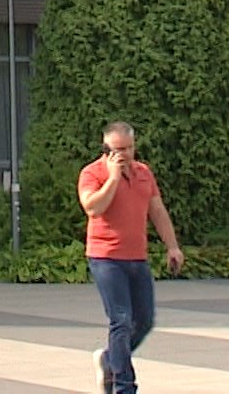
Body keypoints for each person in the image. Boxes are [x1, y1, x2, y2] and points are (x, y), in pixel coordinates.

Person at [78, 121, 184, 394]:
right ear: (106, 149)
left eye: (128, 148)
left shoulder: (143, 173)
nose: (124, 154)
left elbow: (157, 211)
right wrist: (113, 178)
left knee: (144, 321)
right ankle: (124, 386)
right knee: (121, 320)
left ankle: (110, 360)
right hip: (106, 258)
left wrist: (172, 246)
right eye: (118, 149)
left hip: (137, 257)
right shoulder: (92, 173)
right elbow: (93, 208)